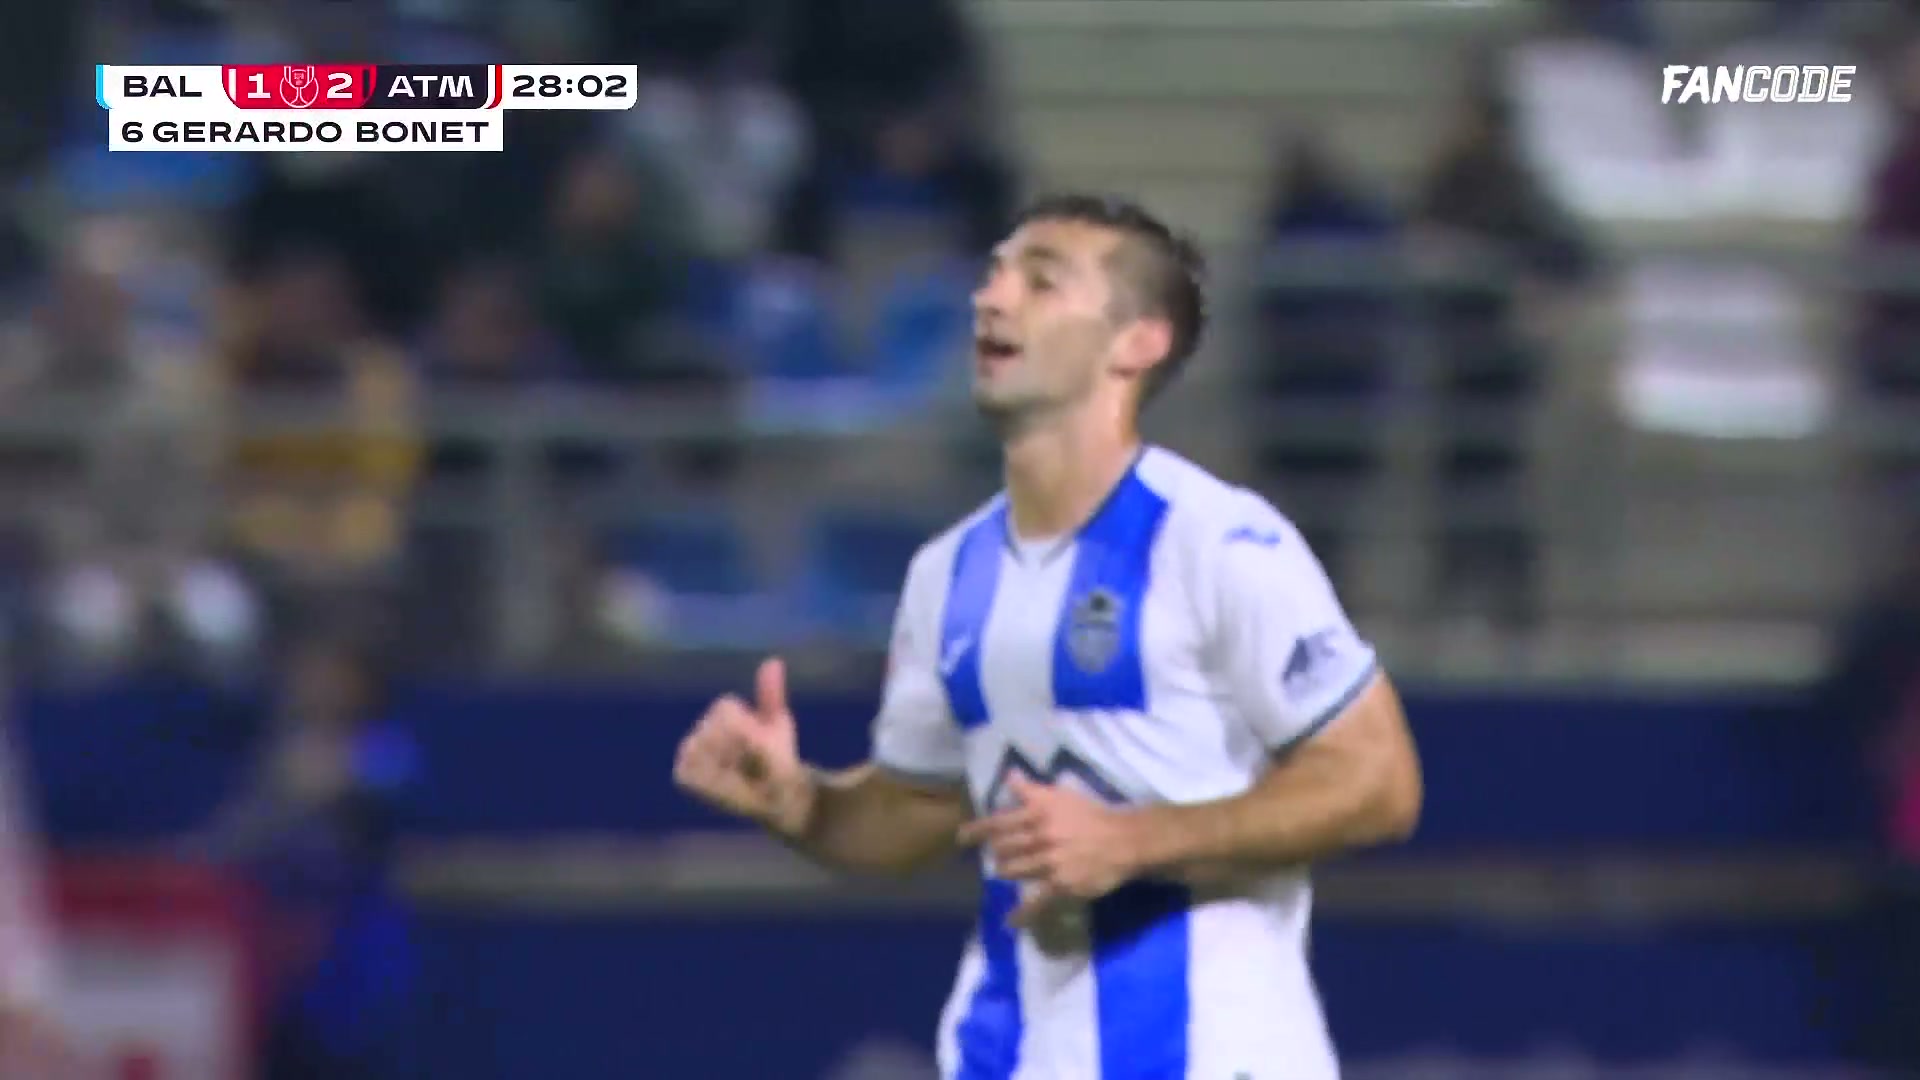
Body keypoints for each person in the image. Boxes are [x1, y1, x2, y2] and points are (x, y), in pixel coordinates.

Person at [675, 193, 1423, 1078]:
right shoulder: (946, 573)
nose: (991, 299)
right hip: (1010, 1050)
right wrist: (802, 804)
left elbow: (1378, 780)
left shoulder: (1216, 540)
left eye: (1041, 282)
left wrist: (1135, 840)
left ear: (1136, 342)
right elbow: (919, 810)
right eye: (994, 276)